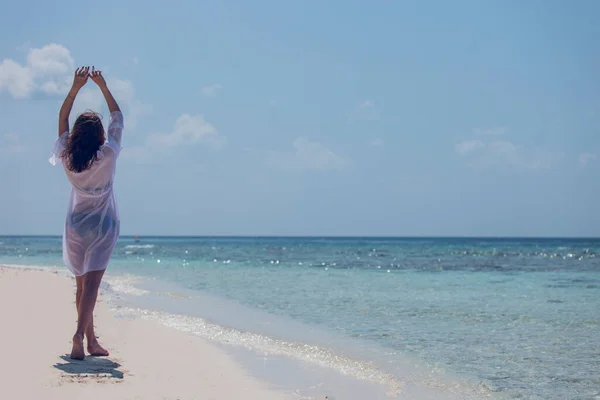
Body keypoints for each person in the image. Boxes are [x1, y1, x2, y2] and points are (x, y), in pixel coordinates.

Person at [49, 66, 123, 360]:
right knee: (92, 285)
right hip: (103, 225)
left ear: (77, 135)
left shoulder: (67, 156)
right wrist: (103, 86)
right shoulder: (107, 155)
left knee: (82, 284)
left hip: (76, 225)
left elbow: (62, 120)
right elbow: (118, 116)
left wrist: (75, 87)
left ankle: (91, 340)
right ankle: (79, 336)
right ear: (100, 135)